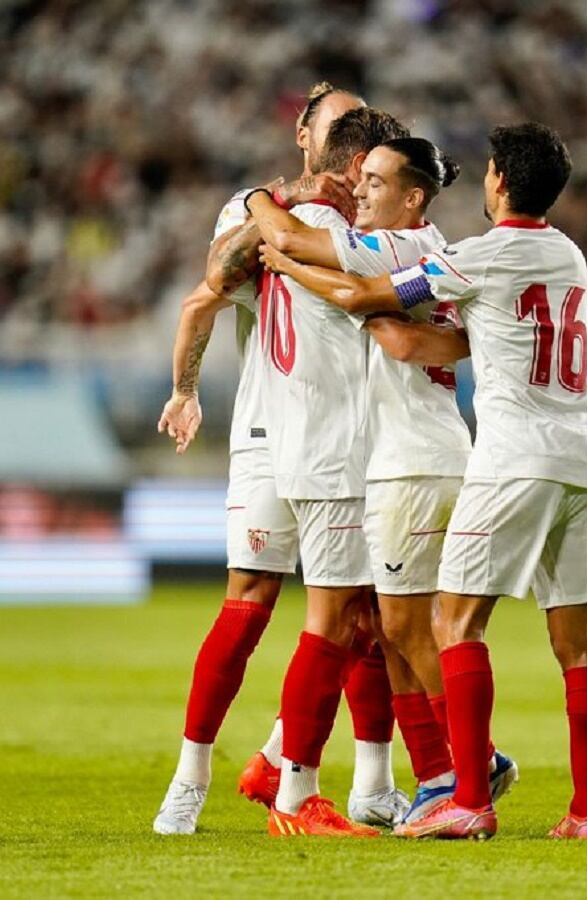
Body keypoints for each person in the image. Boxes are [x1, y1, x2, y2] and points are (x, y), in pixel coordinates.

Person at [259, 122, 587, 841]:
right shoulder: (568, 256)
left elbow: (371, 305)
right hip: (581, 457)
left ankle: (471, 786)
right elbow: (452, 334)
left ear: (499, 182)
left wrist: (285, 260)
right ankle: (584, 813)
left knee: (447, 625)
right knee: (577, 643)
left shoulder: (473, 259)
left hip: (507, 459)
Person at [152, 84, 406, 835]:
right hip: (275, 431)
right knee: (261, 601)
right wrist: (185, 388)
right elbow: (211, 283)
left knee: (360, 610)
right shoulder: (250, 206)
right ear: (306, 134)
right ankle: (196, 776)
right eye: (336, 121)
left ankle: (359, 779)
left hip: (352, 432)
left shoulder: (371, 208)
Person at [246, 136, 519, 824]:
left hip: (416, 461)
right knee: (396, 625)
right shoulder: (431, 252)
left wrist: (261, 214)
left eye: (374, 181)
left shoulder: (407, 248)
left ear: (413, 197)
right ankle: (434, 776)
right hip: (414, 456)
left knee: (407, 627)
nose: (361, 192)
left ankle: (476, 763)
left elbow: (342, 281)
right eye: (360, 179)